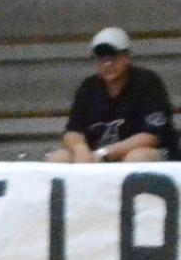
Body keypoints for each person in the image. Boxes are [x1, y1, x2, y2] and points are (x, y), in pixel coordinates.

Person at [49, 27, 175, 163]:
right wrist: (80, 149)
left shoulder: (147, 83)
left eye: (113, 57)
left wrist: (104, 153)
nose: (107, 64)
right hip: (97, 154)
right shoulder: (89, 87)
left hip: (147, 152)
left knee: (137, 157)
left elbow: (151, 137)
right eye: (101, 59)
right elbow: (72, 131)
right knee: (59, 157)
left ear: (127, 58)